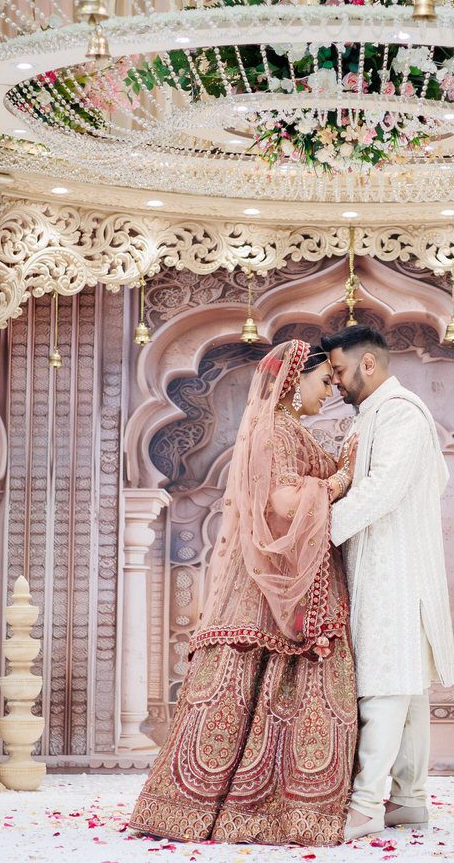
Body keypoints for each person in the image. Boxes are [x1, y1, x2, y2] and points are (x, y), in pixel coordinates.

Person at [128, 339, 360, 846]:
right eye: (324, 382)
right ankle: (271, 813)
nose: (331, 392)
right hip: (276, 580)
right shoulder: (277, 430)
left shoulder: (283, 428)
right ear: (294, 381)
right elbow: (283, 501)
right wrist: (341, 478)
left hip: (290, 572)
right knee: (268, 681)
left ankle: (224, 811)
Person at [322, 324, 454, 842]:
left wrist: (318, 533)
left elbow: (381, 491)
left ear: (368, 365)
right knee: (408, 690)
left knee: (383, 687)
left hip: (395, 568)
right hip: (384, 562)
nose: (335, 382)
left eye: (338, 370)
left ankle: (364, 806)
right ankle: (409, 800)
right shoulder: (376, 415)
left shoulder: (400, 413)